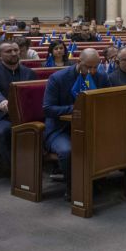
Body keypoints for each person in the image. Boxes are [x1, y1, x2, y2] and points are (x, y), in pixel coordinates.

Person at [43, 49, 111, 201]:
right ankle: (73, 186)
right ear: (78, 62)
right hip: (60, 129)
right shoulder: (58, 78)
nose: (93, 71)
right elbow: (48, 109)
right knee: (67, 151)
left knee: (108, 143)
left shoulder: (101, 77)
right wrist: (76, 108)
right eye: (88, 67)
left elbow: (108, 101)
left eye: (96, 67)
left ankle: (96, 180)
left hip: (89, 126)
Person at [0, 41, 36, 169]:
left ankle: (36, 164)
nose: (13, 53)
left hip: (24, 114)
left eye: (16, 50)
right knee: (6, 131)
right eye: (8, 51)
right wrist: (1, 101)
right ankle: (15, 169)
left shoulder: (29, 72)